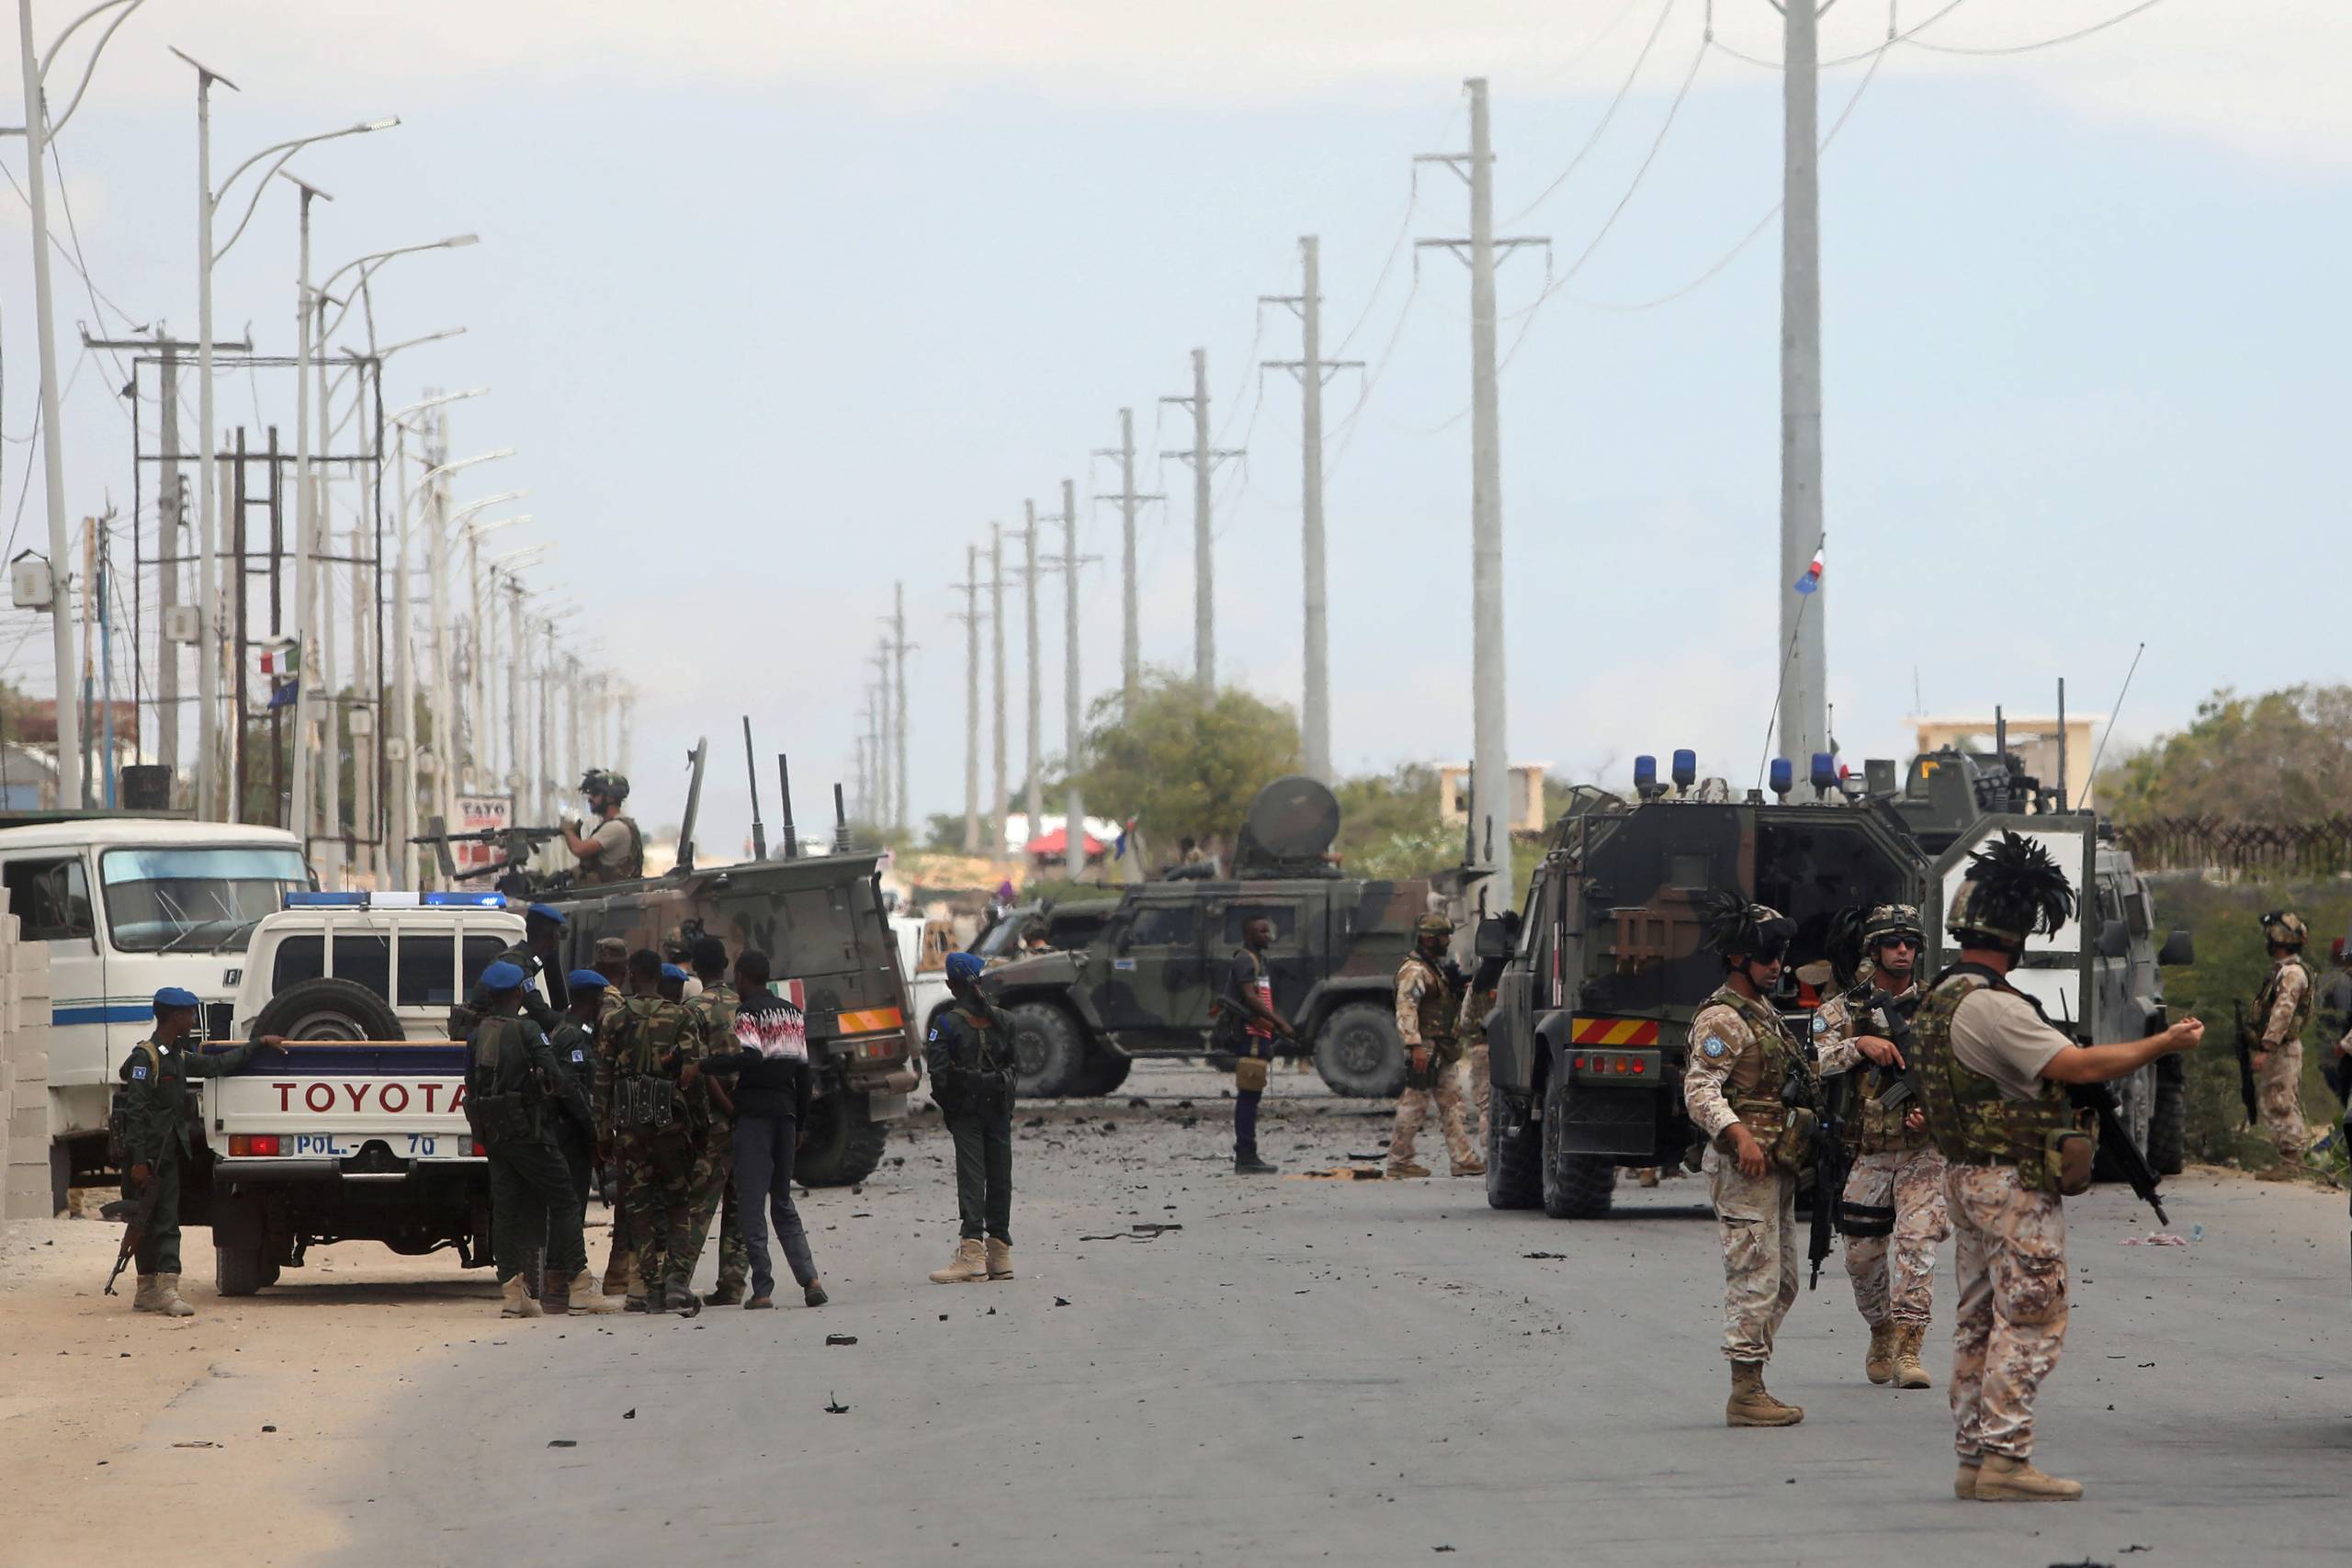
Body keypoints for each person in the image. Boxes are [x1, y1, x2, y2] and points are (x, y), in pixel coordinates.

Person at [1912, 831, 2203, 1501]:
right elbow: (2073, 1065)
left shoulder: (1941, 996)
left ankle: (1975, 1456)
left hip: (1967, 1176)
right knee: (2033, 1314)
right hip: (2011, 1181)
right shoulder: (1992, 1005)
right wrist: (2163, 1040)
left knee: (1980, 1320)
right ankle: (2007, 1461)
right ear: (2017, 932)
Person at [1683, 891, 1903, 1427]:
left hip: (1776, 1164)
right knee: (1755, 1275)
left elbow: (1809, 1063)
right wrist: (1738, 1134)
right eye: (1766, 958)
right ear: (1738, 959)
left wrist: (1859, 1048)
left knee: (1780, 1280)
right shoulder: (1722, 1019)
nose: (1777, 966)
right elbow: (1699, 1089)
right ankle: (1746, 1389)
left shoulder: (1762, 1013)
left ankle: (1753, 1376)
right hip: (1745, 1167)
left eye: (1780, 955)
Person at [1813, 904, 1947, 1390]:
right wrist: (1859, 1046)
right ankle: (1882, 1330)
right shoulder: (1845, 1010)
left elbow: (1967, 1071)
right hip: (1868, 1150)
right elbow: (1814, 1060)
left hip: (1923, 1153)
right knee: (1861, 1256)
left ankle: (1910, 1350)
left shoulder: (1938, 1008)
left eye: (1910, 943)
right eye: (1893, 943)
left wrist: (1934, 1110)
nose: (1903, 951)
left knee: (1917, 1246)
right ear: (1874, 950)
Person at [113, 988, 280, 1316]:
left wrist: (257, 1045)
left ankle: (161, 1288)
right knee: (147, 1221)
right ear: (175, 1017)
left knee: (164, 1220)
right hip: (148, 1158)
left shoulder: (176, 1055)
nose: (193, 1019)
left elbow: (217, 1064)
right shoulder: (147, 1058)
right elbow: (134, 1113)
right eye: (190, 1014)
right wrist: (138, 1163)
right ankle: (155, 1291)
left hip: (168, 1154)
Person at [466, 961, 605, 1318]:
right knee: (564, 1201)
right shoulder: (528, 1030)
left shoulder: (477, 1034)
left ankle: (513, 1295)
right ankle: (579, 1286)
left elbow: (470, 1084)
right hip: (530, 1132)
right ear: (517, 994)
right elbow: (557, 1077)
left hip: (494, 1134)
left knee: (507, 1210)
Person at [694, 948, 828, 1308]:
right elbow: (804, 1073)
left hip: (754, 1116)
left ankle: (763, 1289)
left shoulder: (747, 1012)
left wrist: (705, 1066)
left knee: (752, 1205)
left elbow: (749, 1056)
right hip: (786, 1115)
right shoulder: (792, 1014)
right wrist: (800, 1122)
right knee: (782, 1201)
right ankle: (810, 1278)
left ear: (741, 977)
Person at [597, 948, 713, 1315]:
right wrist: (700, 1124)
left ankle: (649, 1286)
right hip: (671, 1124)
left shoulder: (614, 1020)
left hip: (630, 1127)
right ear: (660, 979)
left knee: (640, 1207)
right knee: (679, 1203)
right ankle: (677, 1281)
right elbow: (693, 1075)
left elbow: (602, 1078)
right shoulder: (681, 1016)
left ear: (631, 975)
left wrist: (602, 1128)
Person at [925, 952, 1017, 1283]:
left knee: (971, 1177)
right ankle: (1000, 1253)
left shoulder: (945, 1024)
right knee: (1000, 1175)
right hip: (999, 1109)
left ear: (952, 985)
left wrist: (952, 1109)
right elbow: (1015, 1067)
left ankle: (973, 1254)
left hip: (966, 1112)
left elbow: (937, 1076)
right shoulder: (1005, 1020)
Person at [681, 935, 750, 1306]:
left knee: (698, 1204)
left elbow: (699, 1068)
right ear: (725, 964)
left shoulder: (693, 1008)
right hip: (749, 1119)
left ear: (694, 966)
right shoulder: (747, 1005)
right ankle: (734, 1283)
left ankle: (679, 1280)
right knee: (739, 1204)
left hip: (713, 1122)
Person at [1386, 913, 1482, 1179]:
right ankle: (1399, 1160)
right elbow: (1406, 1008)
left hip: (1441, 1047)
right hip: (1426, 1048)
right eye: (1443, 936)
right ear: (1428, 939)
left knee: (1452, 1103)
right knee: (1414, 1104)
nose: (1447, 941)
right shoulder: (1414, 970)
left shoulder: (1432, 968)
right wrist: (1414, 1044)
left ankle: (1463, 1159)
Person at [548, 969, 621, 1313]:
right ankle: (570, 1284)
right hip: (570, 1135)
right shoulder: (573, 1037)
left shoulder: (564, 1030)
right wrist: (594, 1134)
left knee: (568, 1207)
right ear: (591, 1001)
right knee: (570, 1209)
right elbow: (572, 1090)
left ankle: (557, 1284)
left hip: (567, 1132)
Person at [1218, 916, 1294, 1175]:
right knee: (1249, 1095)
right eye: (1262, 931)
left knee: (1253, 1093)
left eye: (1269, 930)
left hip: (1259, 1033)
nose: (1268, 935)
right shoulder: (1244, 960)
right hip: (1249, 1033)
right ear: (1249, 935)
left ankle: (1248, 1153)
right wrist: (1279, 1023)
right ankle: (1246, 1155)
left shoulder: (1259, 961)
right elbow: (1250, 998)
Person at [589, 936, 639, 1301]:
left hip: (606, 1110)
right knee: (632, 1197)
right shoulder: (615, 1007)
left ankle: (618, 1275)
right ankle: (623, 1276)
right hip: (622, 1112)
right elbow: (609, 1066)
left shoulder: (594, 1000)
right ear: (625, 969)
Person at [447, 902, 569, 1041]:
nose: (559, 938)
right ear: (551, 937)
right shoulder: (519, 964)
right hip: (487, 1036)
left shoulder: (518, 956)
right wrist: (575, 1020)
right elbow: (542, 1014)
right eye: (558, 933)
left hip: (487, 1030)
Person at [2250, 909, 2314, 1167]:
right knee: (2277, 1100)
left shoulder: (2292, 974)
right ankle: (2288, 1161)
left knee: (2280, 1103)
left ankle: (2291, 1163)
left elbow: (2283, 1012)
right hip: (2282, 1048)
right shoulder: (2285, 972)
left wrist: (2267, 1047)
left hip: (2282, 1049)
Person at [1453, 909, 1520, 1152]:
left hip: (1482, 1048)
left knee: (1486, 1106)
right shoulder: (1520, 974)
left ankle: (1491, 1157)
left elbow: (1465, 1020)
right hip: (1516, 1050)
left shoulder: (1481, 980)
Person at [561, 769, 645, 886]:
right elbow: (587, 858)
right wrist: (575, 833)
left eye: (595, 793)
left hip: (610, 896)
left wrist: (568, 830)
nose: (590, 798)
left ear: (610, 798)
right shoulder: (617, 824)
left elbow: (579, 850)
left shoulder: (615, 827)